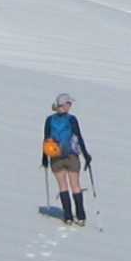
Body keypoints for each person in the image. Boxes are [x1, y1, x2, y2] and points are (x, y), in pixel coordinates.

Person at [42, 95, 91, 223]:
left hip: (55, 156)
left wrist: (44, 158)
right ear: (65, 105)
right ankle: (80, 216)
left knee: (62, 186)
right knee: (75, 185)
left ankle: (67, 216)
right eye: (69, 103)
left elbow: (46, 139)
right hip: (71, 156)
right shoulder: (72, 119)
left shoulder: (49, 120)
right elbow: (78, 137)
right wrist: (86, 155)